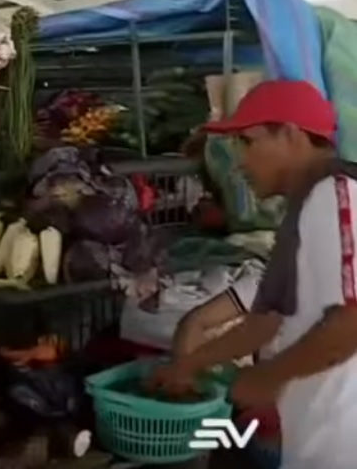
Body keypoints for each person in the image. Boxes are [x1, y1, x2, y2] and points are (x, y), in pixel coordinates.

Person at [152, 80, 357, 468]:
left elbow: (351, 320)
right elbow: (265, 320)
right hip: (313, 443)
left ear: (292, 135)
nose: (241, 161)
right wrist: (188, 364)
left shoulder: (336, 196)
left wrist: (266, 376)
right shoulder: (302, 213)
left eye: (249, 142)